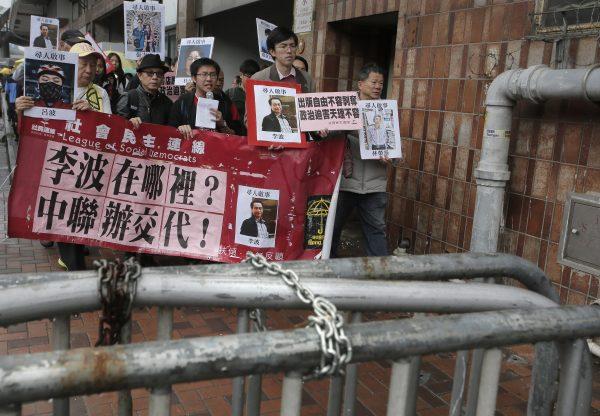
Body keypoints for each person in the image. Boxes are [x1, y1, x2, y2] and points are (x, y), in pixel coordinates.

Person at [16, 42, 112, 270]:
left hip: (87, 166)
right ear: (69, 64)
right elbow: (29, 130)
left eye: (93, 64)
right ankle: (72, 261)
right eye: (83, 63)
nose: (89, 69)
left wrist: (93, 115)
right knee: (62, 210)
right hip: (56, 164)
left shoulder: (100, 94)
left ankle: (71, 253)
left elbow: (110, 131)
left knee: (79, 212)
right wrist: (20, 109)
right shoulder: (46, 88)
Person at [331, 63, 395, 258]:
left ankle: (381, 277)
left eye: (381, 83)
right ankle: (326, 269)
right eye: (373, 82)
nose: (378, 87)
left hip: (375, 184)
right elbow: (327, 137)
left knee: (376, 230)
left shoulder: (385, 111)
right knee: (331, 229)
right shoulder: (343, 107)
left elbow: (395, 149)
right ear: (360, 84)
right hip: (345, 182)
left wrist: (391, 157)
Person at [169, 57, 238, 137]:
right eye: (204, 74)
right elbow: (170, 132)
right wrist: (180, 129)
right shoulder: (182, 102)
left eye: (213, 75)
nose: (209, 79)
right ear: (194, 78)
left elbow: (237, 137)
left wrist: (222, 125)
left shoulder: (225, 103)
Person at [252, 26, 315, 93]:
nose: (289, 50)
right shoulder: (258, 79)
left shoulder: (307, 78)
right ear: (272, 52)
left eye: (292, 46)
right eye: (283, 46)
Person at [117, 54, 172, 127]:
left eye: (159, 73)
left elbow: (171, 129)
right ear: (139, 75)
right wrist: (128, 122)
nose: (155, 77)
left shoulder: (167, 102)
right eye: (150, 73)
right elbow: (116, 126)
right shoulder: (129, 97)